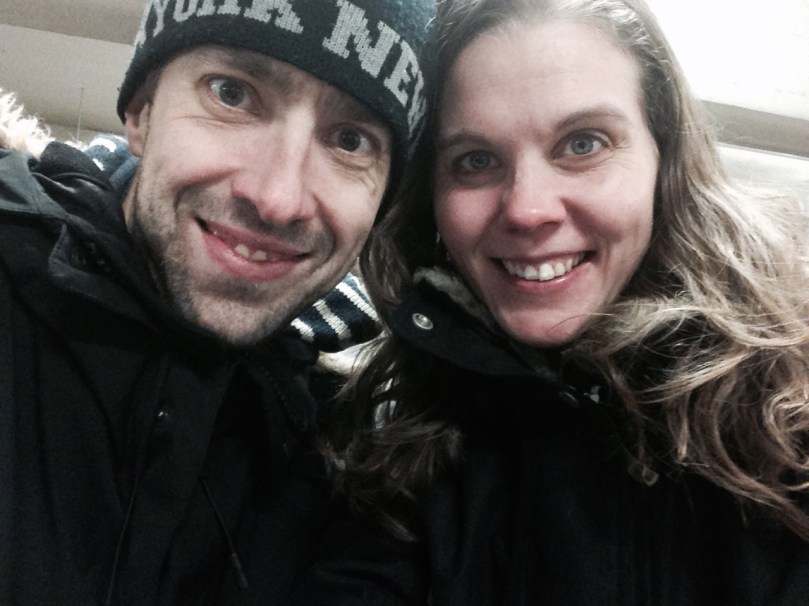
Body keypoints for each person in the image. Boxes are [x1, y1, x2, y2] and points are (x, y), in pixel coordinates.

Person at [315, 0, 809, 604]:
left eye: (582, 144)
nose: (527, 209)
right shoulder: (395, 441)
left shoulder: (788, 409)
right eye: (476, 161)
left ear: (664, 156)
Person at [0, 0, 433, 603]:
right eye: (232, 94)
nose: (278, 199)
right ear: (142, 111)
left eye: (350, 140)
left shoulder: (347, 467)